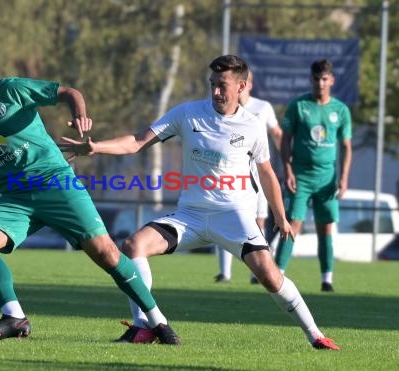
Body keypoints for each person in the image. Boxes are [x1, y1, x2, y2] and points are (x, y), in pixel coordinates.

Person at [60, 55, 340, 350]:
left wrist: (281, 216)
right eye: (212, 85)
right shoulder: (187, 114)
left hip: (234, 216)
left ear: (241, 85)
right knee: (133, 247)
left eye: (223, 85)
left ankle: (316, 335)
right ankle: (145, 326)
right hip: (190, 216)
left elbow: (267, 172)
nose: (216, 92)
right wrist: (96, 148)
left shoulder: (252, 125)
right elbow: (138, 141)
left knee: (271, 277)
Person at [0, 45, 180, 343]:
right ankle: (14, 317)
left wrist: (80, 115)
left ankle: (159, 323)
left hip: (56, 182)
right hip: (16, 197)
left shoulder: (10, 90)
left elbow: (68, 93)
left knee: (107, 254)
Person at [275, 59, 352, 292]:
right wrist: (287, 170)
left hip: (327, 178)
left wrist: (344, 177)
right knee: (292, 224)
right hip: (300, 176)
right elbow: (285, 140)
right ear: (311, 80)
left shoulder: (340, 110)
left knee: (325, 228)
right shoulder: (298, 106)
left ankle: (327, 279)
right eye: (316, 79)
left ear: (331, 80)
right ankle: (277, 276)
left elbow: (346, 146)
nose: (320, 83)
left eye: (324, 79)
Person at [214, 70, 283, 284]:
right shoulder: (224, 107)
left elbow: (277, 133)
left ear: (246, 85)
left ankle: (256, 272)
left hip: (257, 172)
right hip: (231, 171)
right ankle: (225, 272)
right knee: (223, 216)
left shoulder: (262, 108)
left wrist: (287, 163)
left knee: (259, 220)